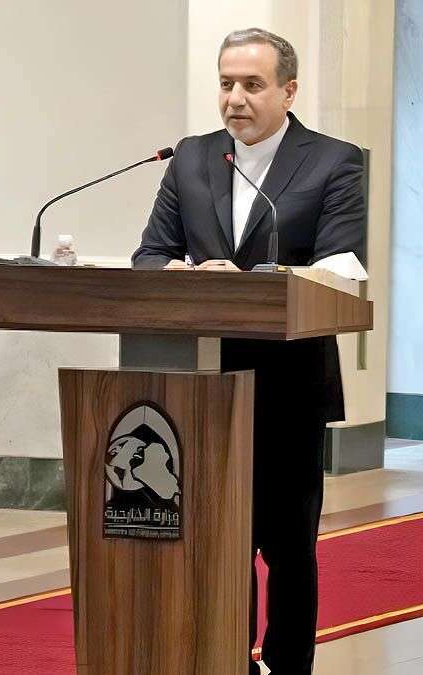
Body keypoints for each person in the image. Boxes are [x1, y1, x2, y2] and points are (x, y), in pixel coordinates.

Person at [133, 27, 367, 675]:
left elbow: (342, 266)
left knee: (287, 547)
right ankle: (225, 660)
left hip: (290, 385)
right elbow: (151, 254)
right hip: (200, 384)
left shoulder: (333, 162)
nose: (235, 98)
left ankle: (289, 666)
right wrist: (181, 275)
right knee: (217, 542)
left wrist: (254, 282)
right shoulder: (191, 158)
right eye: (226, 83)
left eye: (252, 85)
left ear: (288, 91)